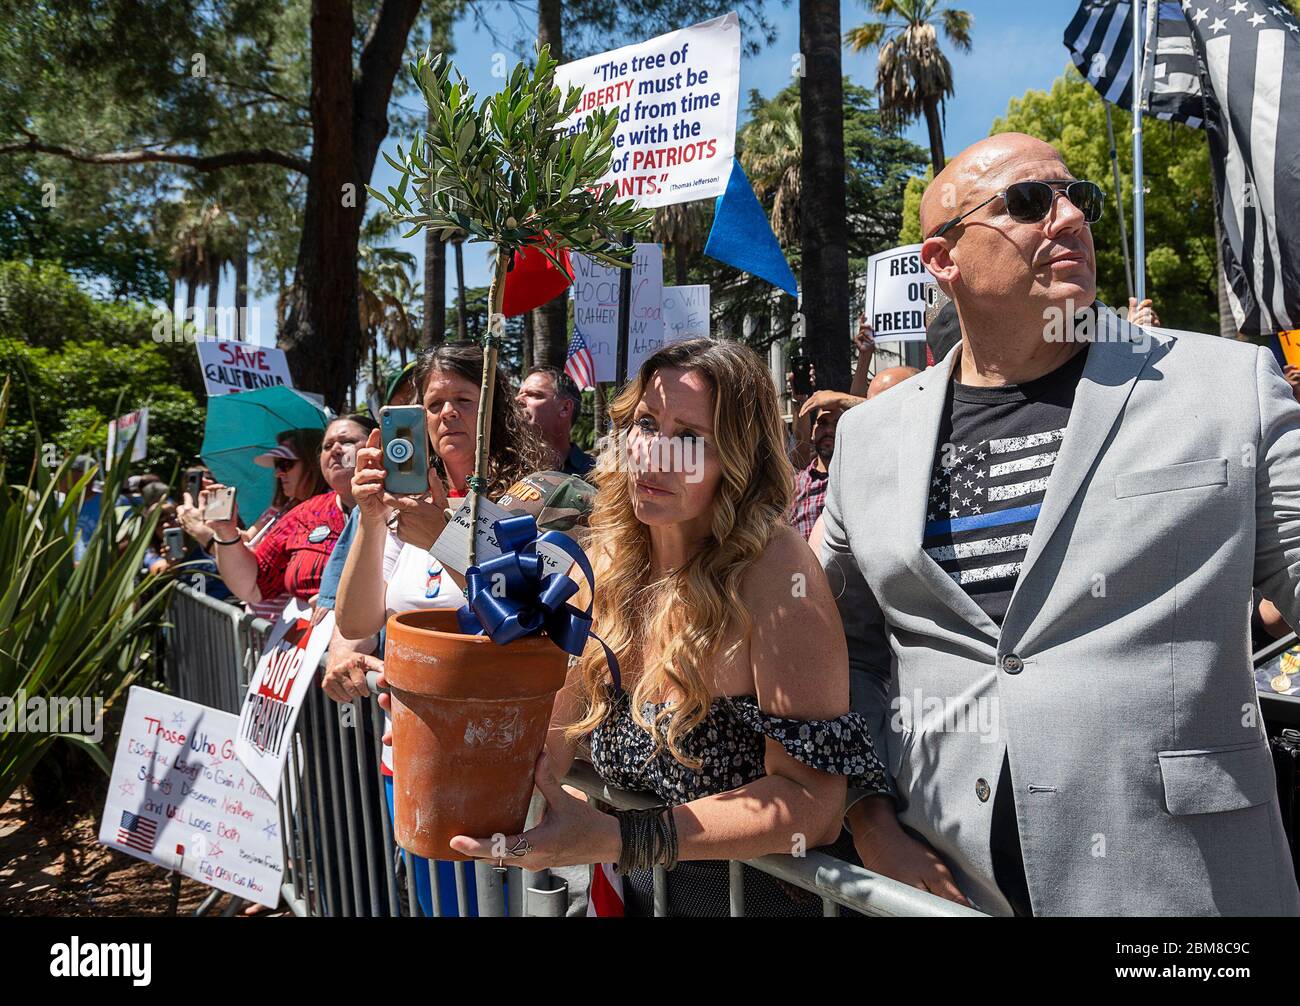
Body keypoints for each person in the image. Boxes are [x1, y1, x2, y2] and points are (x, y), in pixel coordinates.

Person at [821, 131, 1300, 916]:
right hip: (944, 890)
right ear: (942, 260)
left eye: (1080, 196)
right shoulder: (869, 440)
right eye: (1029, 202)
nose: (1070, 216)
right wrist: (869, 821)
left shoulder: (1227, 386)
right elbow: (841, 655)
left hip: (1183, 894)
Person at [446, 338, 889, 917]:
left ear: (738, 456)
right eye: (646, 424)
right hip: (644, 898)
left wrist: (621, 838)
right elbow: (548, 742)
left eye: (689, 438)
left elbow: (812, 805)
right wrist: (456, 734)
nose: (655, 455)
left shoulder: (775, 573)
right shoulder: (601, 564)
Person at [332, 343, 547, 917]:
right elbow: (356, 621)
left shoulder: (537, 497)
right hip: (409, 755)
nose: (446, 414)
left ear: (494, 409)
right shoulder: (405, 506)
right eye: (432, 404)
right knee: (440, 908)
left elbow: (526, 609)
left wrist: (441, 536)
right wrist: (373, 519)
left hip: (502, 764)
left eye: (463, 400)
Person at [203, 415, 375, 611]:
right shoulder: (304, 515)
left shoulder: (405, 506)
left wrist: (344, 601)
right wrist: (226, 533)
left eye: (347, 442)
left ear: (376, 445)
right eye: (327, 446)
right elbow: (253, 586)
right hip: (310, 637)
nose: (335, 450)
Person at [515, 366, 595, 476]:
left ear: (565, 408)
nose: (517, 400)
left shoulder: (597, 475)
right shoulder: (503, 469)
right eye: (520, 394)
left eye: (533, 394)